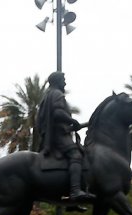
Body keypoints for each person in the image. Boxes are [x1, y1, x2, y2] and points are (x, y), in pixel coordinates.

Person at [36, 71, 95, 203]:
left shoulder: (48, 95)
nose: (65, 82)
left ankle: (72, 203)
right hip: (59, 134)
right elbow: (57, 113)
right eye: (63, 80)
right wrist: (73, 121)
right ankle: (75, 191)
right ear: (57, 81)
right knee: (76, 155)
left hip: (56, 133)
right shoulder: (57, 94)